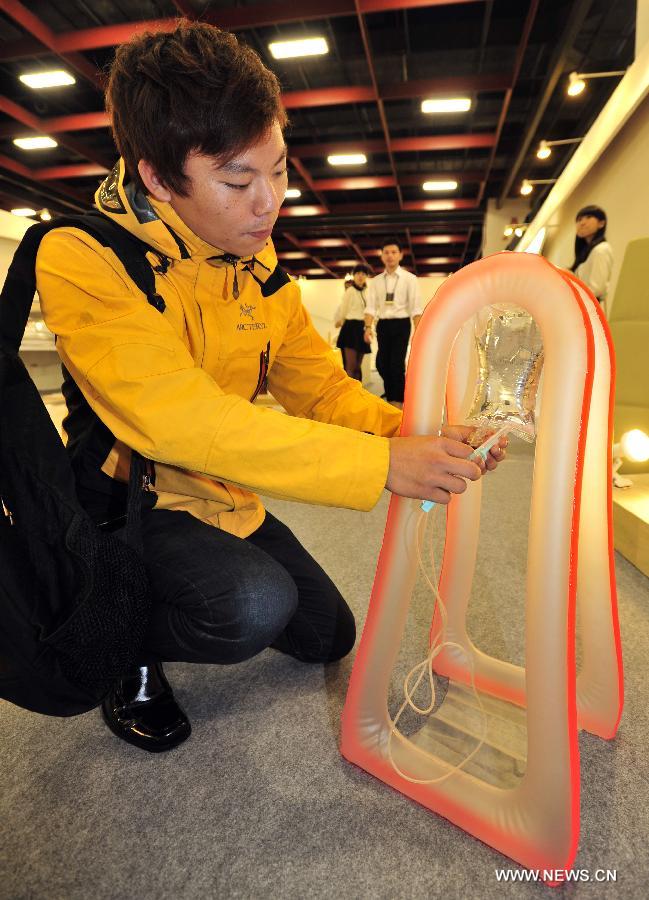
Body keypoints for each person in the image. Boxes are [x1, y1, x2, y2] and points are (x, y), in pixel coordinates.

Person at [35, 22, 507, 753]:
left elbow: (319, 389)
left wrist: (413, 433)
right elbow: (178, 420)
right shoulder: (81, 256)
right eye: (237, 180)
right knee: (251, 606)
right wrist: (381, 467)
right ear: (158, 178)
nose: (271, 202)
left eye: (280, 168)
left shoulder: (256, 263)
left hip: (223, 493)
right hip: (131, 501)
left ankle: (167, 599)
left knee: (325, 635)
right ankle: (114, 642)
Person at [364, 239, 422, 408]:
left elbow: (416, 309)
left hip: (402, 325)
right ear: (382, 256)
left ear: (401, 255)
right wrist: (368, 327)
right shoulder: (376, 281)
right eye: (386, 252)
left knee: (396, 366)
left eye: (393, 252)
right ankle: (393, 397)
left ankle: (397, 405)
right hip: (382, 325)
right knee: (382, 364)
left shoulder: (410, 279)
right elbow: (370, 307)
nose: (390, 256)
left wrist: (418, 332)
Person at [570, 205, 613, 304]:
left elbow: (597, 289)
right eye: (579, 219)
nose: (582, 223)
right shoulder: (587, 252)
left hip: (592, 310)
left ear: (601, 223)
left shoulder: (601, 250)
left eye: (588, 217)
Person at [335, 264, 371, 381]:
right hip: (350, 328)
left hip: (362, 328)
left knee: (357, 367)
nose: (360, 276)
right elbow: (343, 309)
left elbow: (371, 311)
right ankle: (348, 395)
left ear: (366, 276)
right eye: (358, 274)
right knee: (350, 366)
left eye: (363, 274)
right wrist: (340, 320)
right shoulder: (350, 291)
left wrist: (370, 328)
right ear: (354, 276)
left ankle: (358, 394)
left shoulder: (368, 292)